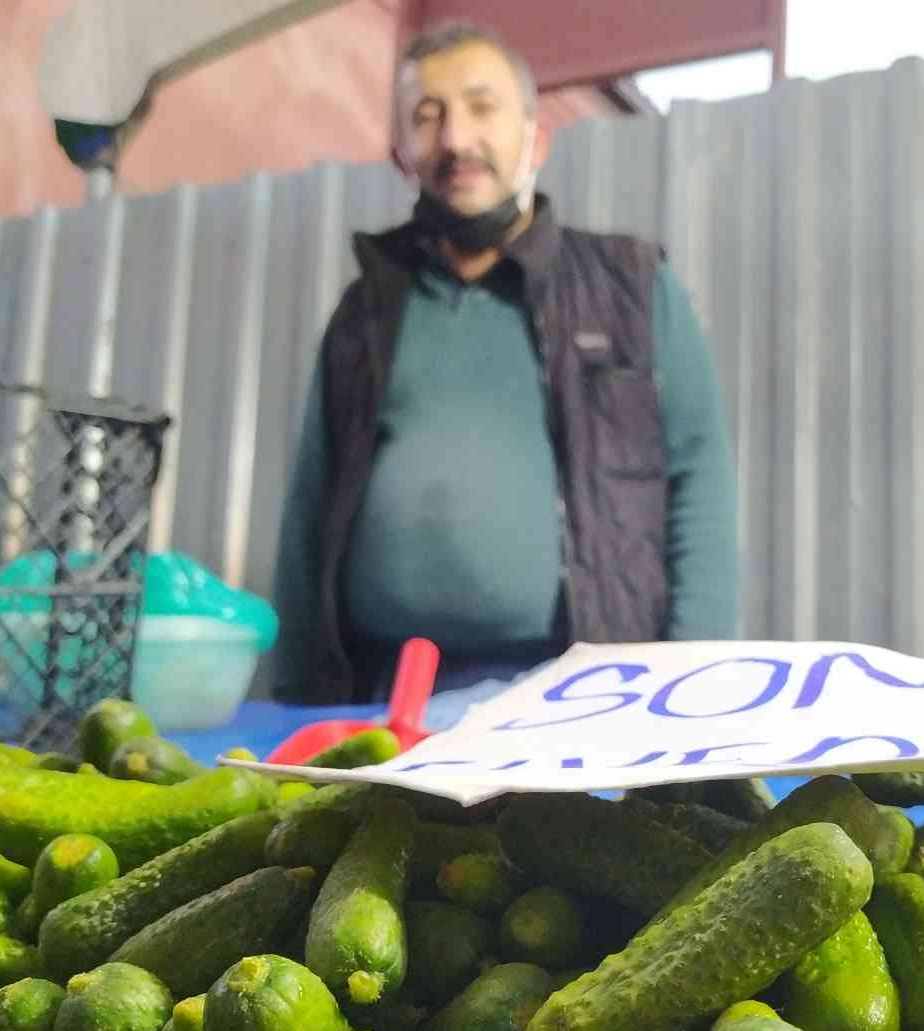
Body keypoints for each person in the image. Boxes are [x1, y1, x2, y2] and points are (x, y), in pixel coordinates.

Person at [271, 20, 739, 703]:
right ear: (402, 152)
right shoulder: (364, 310)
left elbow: (700, 480)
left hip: (581, 693)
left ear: (535, 137)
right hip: (386, 693)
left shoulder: (632, 287)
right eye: (427, 117)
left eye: (481, 107)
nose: (457, 139)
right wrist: (297, 686)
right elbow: (311, 502)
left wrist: (695, 688)